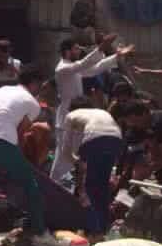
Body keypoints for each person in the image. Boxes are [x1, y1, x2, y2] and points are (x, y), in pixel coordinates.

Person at [0, 65, 63, 246]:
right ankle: (40, 233)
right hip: (4, 142)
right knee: (31, 186)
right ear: (34, 83)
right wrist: (20, 159)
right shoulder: (32, 103)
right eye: (39, 85)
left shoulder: (2, 90)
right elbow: (21, 132)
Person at [50, 34, 133, 180]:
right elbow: (83, 64)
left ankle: (67, 185)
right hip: (66, 118)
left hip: (78, 115)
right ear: (67, 51)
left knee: (74, 154)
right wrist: (102, 47)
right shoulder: (62, 68)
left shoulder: (73, 69)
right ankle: (56, 184)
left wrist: (116, 56)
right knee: (64, 155)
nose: (79, 51)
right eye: (76, 49)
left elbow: (94, 69)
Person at [62, 97, 125, 235]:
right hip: (116, 140)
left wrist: (77, 163)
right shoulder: (100, 112)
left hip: (95, 141)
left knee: (88, 189)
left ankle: (93, 229)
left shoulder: (70, 116)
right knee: (102, 187)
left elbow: (65, 150)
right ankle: (102, 228)